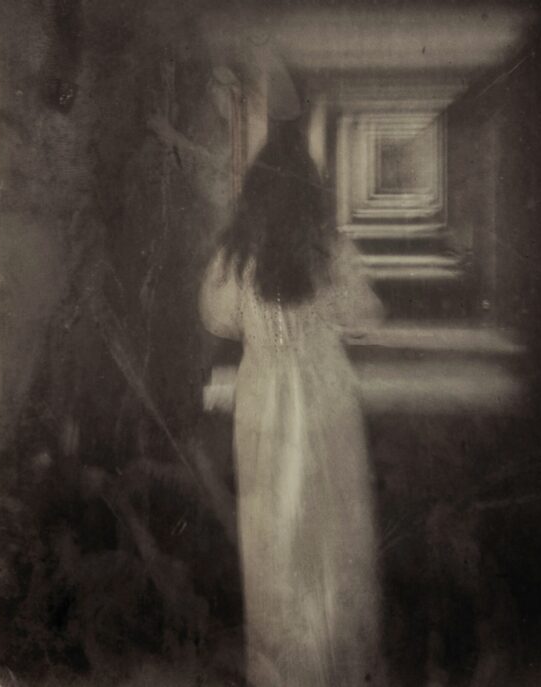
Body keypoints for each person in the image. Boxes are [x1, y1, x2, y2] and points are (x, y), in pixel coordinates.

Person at [199, 121, 386, 687]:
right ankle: (337, 658)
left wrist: (263, 335)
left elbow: (217, 319)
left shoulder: (237, 255)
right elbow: (366, 317)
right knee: (332, 524)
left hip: (265, 400)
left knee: (274, 532)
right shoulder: (328, 249)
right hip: (325, 394)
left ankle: (287, 670)